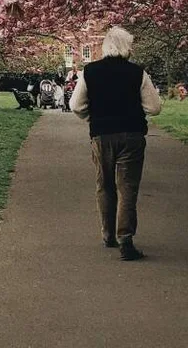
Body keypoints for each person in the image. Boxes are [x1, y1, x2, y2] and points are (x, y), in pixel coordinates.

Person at [70, 27, 161, 260]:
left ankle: (108, 234)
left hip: (101, 135)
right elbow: (154, 107)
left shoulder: (90, 72)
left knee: (105, 185)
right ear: (125, 47)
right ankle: (126, 239)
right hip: (131, 135)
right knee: (127, 187)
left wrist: (95, 118)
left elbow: (76, 106)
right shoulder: (137, 73)